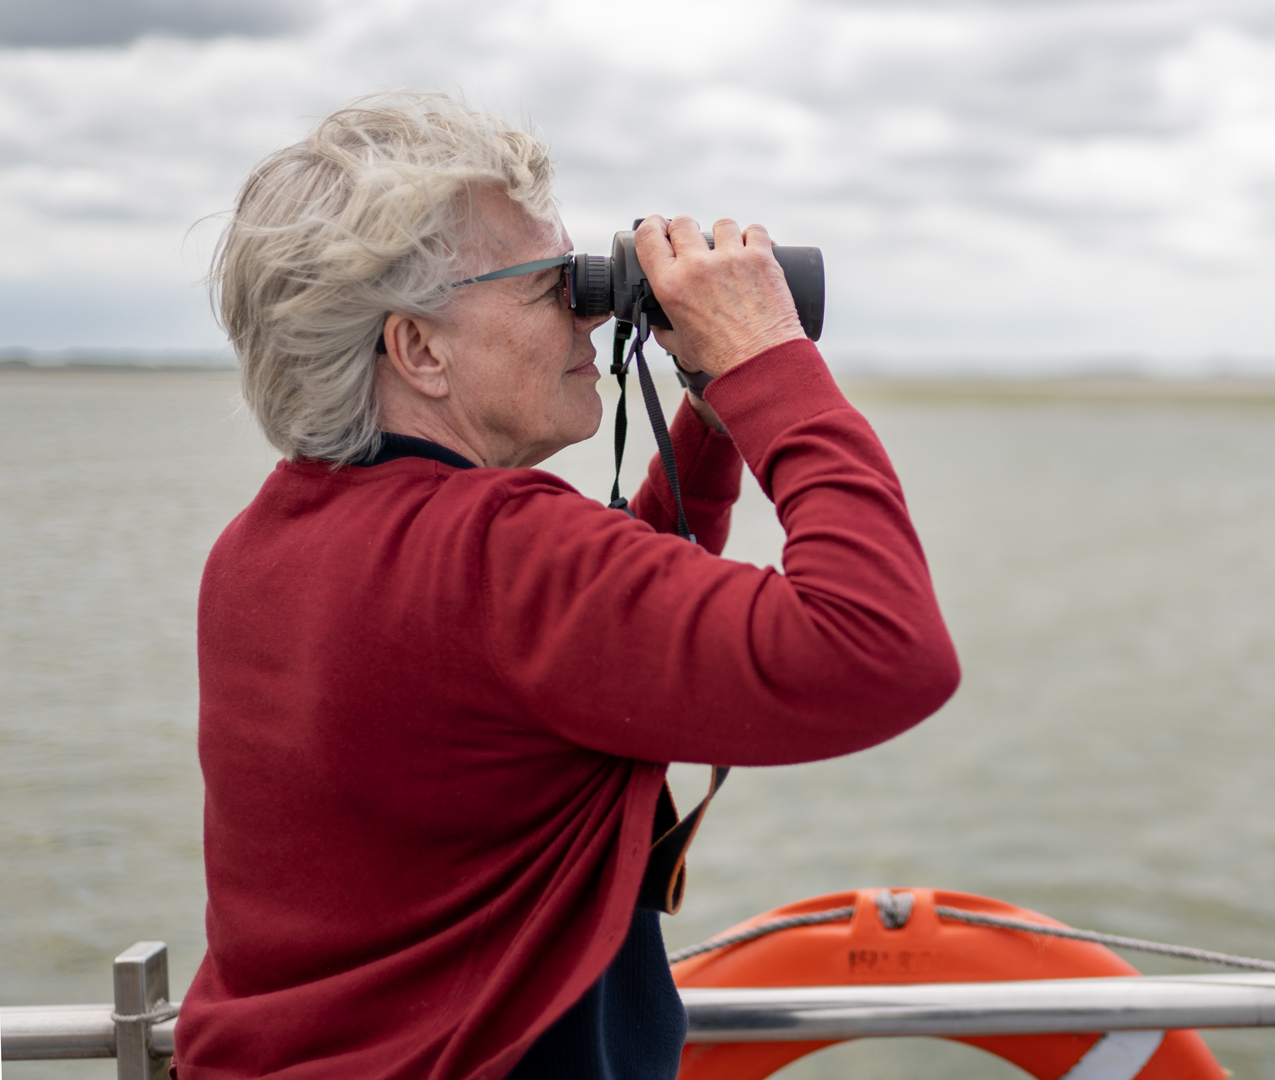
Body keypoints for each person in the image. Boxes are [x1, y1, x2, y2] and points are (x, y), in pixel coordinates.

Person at [173, 90, 960, 1080]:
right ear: (419, 348)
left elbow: (563, 661)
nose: (589, 310)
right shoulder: (500, 549)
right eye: (552, 283)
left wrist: (708, 431)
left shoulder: (262, 545)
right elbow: (883, 651)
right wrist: (769, 364)